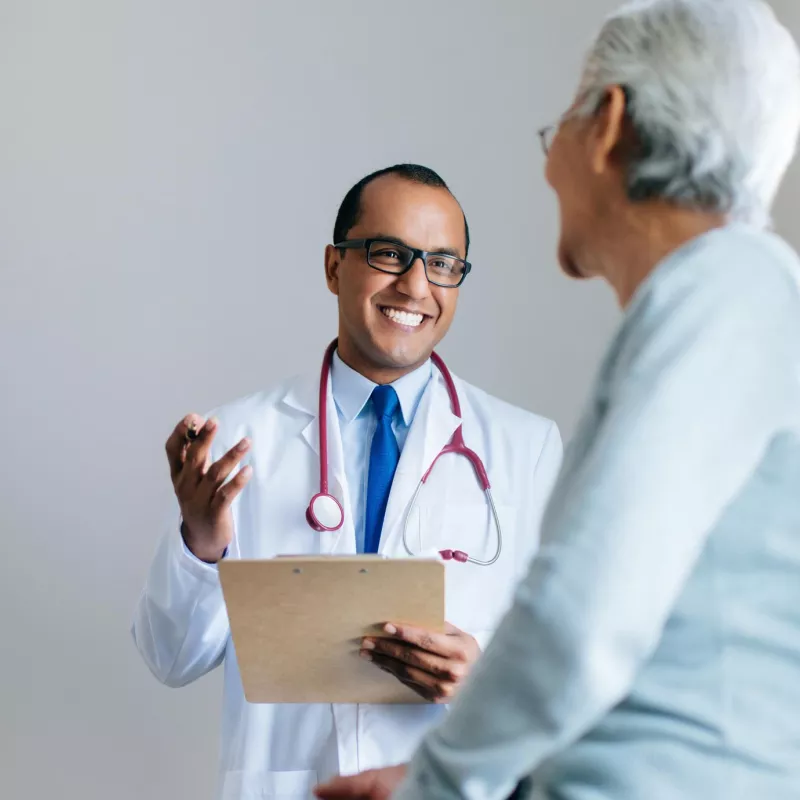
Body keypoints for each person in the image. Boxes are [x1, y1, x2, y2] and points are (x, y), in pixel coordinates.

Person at [314, 1, 800, 798]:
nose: (549, 168)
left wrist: (433, 786)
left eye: (560, 127)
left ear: (608, 124)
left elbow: (579, 621)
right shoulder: (731, 302)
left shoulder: (722, 294)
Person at [131, 163, 563, 800]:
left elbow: (566, 664)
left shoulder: (526, 447)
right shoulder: (237, 439)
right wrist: (201, 542)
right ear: (335, 267)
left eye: (443, 263)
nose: (416, 286)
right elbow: (170, 659)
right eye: (390, 254)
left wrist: (485, 674)